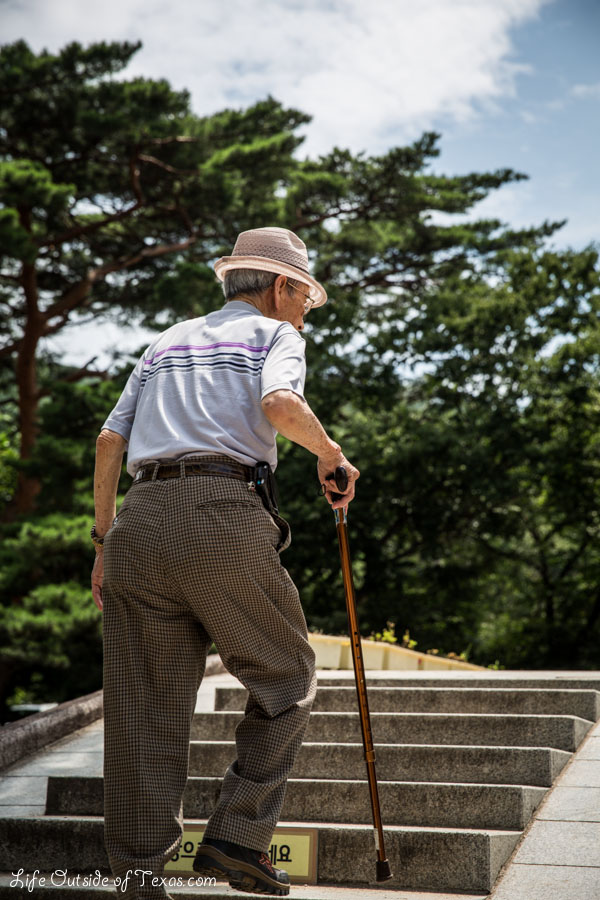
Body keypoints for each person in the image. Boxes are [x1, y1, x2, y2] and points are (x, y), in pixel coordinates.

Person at [91, 226, 359, 899]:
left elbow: (108, 442)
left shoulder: (165, 341)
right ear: (280, 286)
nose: (305, 313)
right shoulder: (275, 336)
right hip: (219, 512)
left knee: (141, 710)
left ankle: (137, 880)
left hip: (139, 522)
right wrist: (329, 454)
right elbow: (279, 404)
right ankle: (237, 839)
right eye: (305, 298)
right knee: (288, 676)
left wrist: (103, 544)